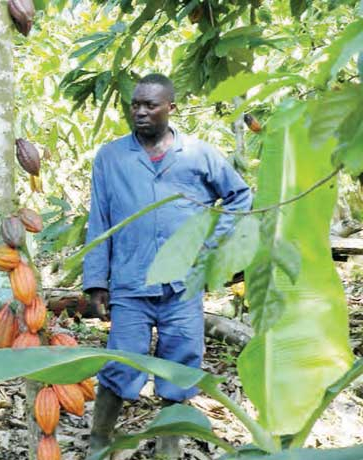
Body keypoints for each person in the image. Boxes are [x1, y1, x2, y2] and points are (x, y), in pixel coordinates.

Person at [82, 74, 252, 458]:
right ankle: (100, 441)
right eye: (135, 104)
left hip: (182, 286)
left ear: (170, 108)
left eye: (149, 105)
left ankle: (168, 449)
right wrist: (96, 281)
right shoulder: (111, 157)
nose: (140, 111)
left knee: (180, 367)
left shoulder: (197, 154)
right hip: (131, 282)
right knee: (121, 364)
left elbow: (239, 195)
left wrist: (209, 245)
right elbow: (100, 220)